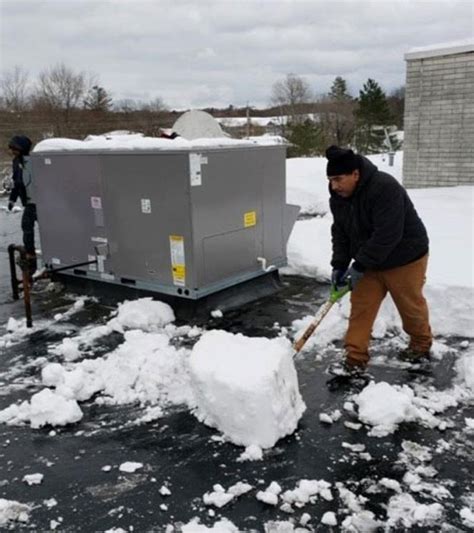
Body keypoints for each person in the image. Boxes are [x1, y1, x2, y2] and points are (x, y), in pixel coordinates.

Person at [325, 145, 432, 376]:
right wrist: (339, 264)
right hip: (369, 259)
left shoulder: (385, 187)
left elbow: (388, 234)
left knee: (410, 306)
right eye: (331, 180)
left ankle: (420, 345)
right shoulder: (338, 196)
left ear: (355, 174)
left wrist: (360, 265)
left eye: (338, 179)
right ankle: (354, 358)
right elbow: (341, 231)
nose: (334, 185)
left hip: (405, 256)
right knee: (361, 308)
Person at [7, 135, 37, 274]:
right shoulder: (16, 162)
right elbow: (17, 183)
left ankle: (35, 255)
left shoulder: (33, 161)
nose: (13, 151)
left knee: (37, 227)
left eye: (15, 148)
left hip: (38, 201)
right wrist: (12, 199)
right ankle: (31, 256)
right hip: (28, 201)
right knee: (27, 226)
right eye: (12, 148)